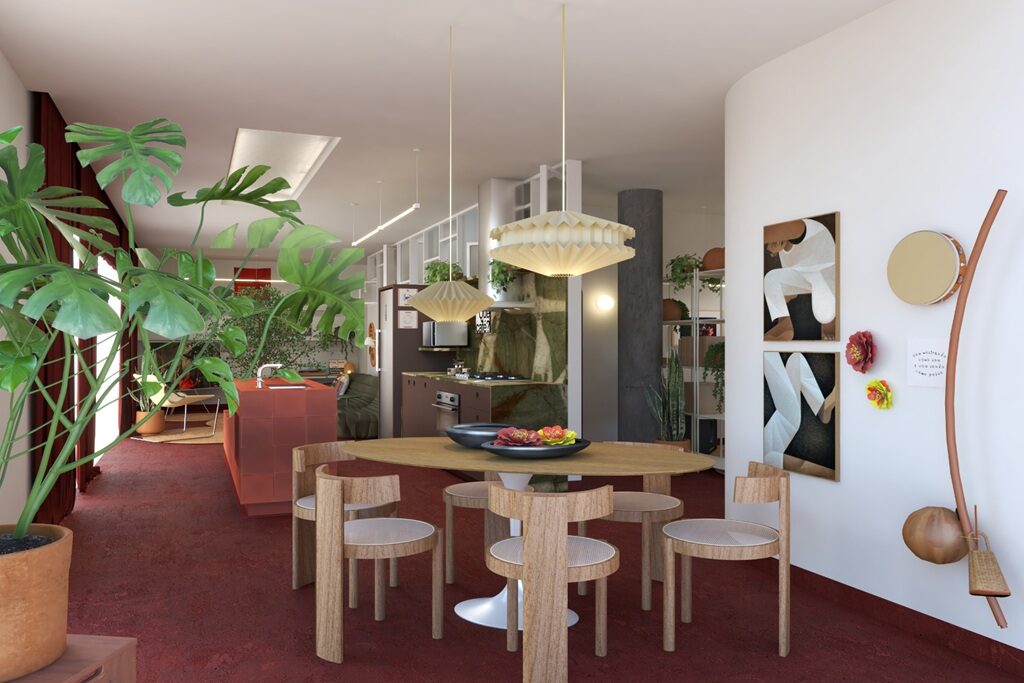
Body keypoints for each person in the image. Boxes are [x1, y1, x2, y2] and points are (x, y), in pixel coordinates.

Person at [763, 218, 837, 340]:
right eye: (771, 246)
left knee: (824, 316)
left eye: (773, 241)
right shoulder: (783, 253)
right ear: (773, 253)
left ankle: (829, 322)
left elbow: (771, 231)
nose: (775, 242)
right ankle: (784, 326)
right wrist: (781, 299)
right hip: (806, 277)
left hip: (825, 273)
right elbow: (791, 290)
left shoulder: (800, 229)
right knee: (771, 279)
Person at [763, 351, 836, 468]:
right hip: (785, 422)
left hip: (783, 422)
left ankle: (822, 408)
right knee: (793, 360)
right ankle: (823, 408)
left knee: (795, 360)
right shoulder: (768, 458)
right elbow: (800, 466)